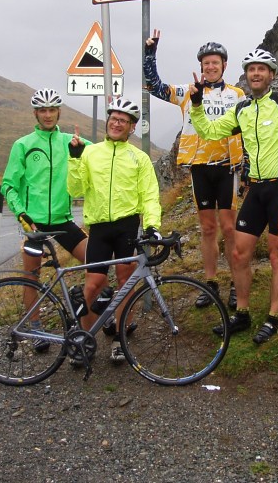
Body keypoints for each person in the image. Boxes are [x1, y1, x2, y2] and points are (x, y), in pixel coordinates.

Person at [189, 49, 278, 344]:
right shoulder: (242, 109)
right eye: (251, 69)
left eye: (262, 69)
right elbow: (212, 132)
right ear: (247, 74)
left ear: (271, 75)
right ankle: (242, 313)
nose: (256, 74)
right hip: (255, 188)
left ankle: (273, 319)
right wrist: (197, 105)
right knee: (240, 253)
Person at [143, 30, 245, 310]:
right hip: (200, 169)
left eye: (216, 62)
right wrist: (149, 55)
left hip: (226, 168)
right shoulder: (188, 93)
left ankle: (236, 285)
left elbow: (247, 130)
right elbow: (153, 86)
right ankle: (210, 284)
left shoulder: (237, 95)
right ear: (200, 67)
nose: (210, 67)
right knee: (208, 229)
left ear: (224, 65)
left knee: (229, 228)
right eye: (206, 63)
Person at [67, 97, 163, 363]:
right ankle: (83, 339)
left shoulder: (139, 158)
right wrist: (74, 159)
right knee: (93, 283)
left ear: (132, 127)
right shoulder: (90, 152)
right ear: (107, 121)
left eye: (123, 121)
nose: (117, 123)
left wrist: (153, 225)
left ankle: (120, 338)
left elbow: (150, 195)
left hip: (127, 226)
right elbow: (75, 190)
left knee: (125, 282)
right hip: (98, 226)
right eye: (113, 119)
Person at [1, 88, 89, 353]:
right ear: (36, 114)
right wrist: (21, 213)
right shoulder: (23, 145)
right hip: (35, 224)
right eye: (43, 110)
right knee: (32, 276)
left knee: (94, 262)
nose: (48, 115)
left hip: (63, 220)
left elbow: (105, 155)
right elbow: (9, 185)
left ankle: (83, 312)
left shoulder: (71, 142)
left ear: (59, 112)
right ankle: (36, 328)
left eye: (52, 110)